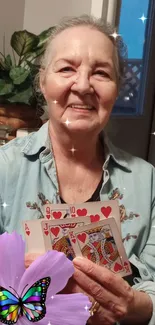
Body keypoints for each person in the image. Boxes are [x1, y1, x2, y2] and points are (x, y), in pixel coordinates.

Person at [0, 15, 155, 325]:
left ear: (116, 88)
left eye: (100, 72)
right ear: (43, 82)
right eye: (66, 68)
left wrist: (140, 308)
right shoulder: (5, 169)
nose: (83, 85)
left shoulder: (147, 181)